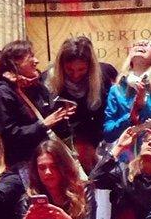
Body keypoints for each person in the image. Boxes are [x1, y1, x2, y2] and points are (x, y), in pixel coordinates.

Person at [0, 40, 72, 167]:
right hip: (23, 163)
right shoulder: (3, 92)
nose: (36, 61)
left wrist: (62, 116)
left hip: (48, 157)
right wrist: (43, 125)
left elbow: (50, 118)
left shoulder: (37, 86)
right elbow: (8, 135)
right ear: (15, 62)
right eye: (31, 56)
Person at [46, 35, 118, 169]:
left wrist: (91, 144)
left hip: (97, 140)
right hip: (62, 143)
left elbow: (106, 114)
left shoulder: (105, 74)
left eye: (81, 70)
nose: (75, 75)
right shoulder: (48, 79)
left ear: (90, 67)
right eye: (69, 70)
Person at [102, 41, 151, 143]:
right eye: (136, 44)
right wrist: (130, 117)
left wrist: (144, 107)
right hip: (124, 154)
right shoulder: (116, 89)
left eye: (148, 44)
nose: (141, 44)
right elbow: (108, 133)